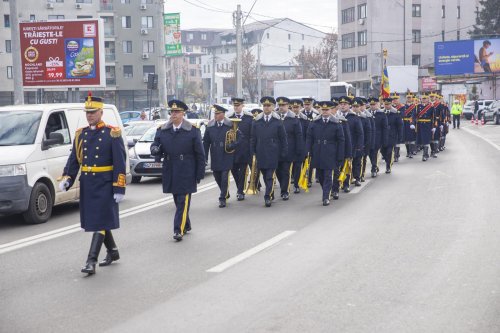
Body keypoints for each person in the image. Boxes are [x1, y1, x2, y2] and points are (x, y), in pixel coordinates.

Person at [60, 94, 127, 275]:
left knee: (99, 223)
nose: (90, 115)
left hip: (105, 183)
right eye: (87, 112)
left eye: (93, 112)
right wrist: (67, 178)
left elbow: (120, 162)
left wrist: (119, 187)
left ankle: (91, 261)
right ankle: (112, 251)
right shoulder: (81, 134)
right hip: (88, 183)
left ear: (101, 112)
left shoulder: (112, 133)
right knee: (99, 220)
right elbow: (74, 159)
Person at [150, 100, 205, 241]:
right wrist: (155, 149)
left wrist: (199, 173)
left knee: (182, 200)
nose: (173, 114)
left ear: (183, 114)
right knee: (177, 199)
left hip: (187, 170)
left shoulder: (192, 130)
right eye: (172, 112)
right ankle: (186, 224)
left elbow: (200, 153)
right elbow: (156, 145)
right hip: (170, 169)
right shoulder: (163, 130)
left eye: (177, 112)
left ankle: (177, 230)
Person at [250, 96, 288, 207]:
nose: (266, 108)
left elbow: (283, 138)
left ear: (272, 107)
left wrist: (283, 151)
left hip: (273, 153)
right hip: (261, 152)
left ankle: (267, 197)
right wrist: (252, 152)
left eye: (269, 105)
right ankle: (270, 193)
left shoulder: (277, 121)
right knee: (264, 174)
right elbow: (253, 138)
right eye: (264, 106)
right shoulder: (257, 121)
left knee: (269, 176)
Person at [306, 101, 345, 206]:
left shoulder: (336, 123)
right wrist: (308, 151)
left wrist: (340, 155)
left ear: (331, 110)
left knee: (328, 175)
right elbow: (309, 138)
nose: (325, 112)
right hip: (318, 152)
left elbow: (341, 141)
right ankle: (328, 190)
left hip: (330, 153)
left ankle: (325, 197)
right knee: (321, 176)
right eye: (323, 110)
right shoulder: (314, 122)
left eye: (327, 110)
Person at [203, 105, 239, 208]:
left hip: (226, 154)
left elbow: (239, 137)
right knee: (217, 176)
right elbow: (206, 142)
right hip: (215, 154)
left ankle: (222, 198)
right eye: (215, 113)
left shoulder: (230, 124)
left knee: (224, 177)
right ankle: (225, 192)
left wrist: (232, 144)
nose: (216, 115)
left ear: (223, 114)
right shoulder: (210, 126)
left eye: (218, 113)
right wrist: (205, 157)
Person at [275, 97, 304, 200]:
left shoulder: (294, 119)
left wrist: (299, 150)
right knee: (278, 171)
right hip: (276, 150)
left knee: (286, 171)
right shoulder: (275, 118)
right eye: (280, 105)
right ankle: (283, 185)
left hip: (289, 150)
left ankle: (284, 191)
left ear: (288, 106)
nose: (281, 107)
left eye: (283, 105)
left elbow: (298, 135)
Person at [227, 97, 253, 201]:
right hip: (233, 150)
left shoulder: (249, 118)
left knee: (242, 171)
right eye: (235, 105)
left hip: (244, 150)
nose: (236, 107)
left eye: (238, 105)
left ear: (242, 106)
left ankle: (240, 191)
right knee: (234, 170)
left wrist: (251, 149)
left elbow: (252, 135)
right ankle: (240, 188)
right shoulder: (229, 118)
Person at [339, 96, 364, 190]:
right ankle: (343, 182)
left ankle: (354, 180)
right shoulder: (336, 117)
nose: (342, 106)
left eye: (345, 104)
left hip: (352, 145)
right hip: (340, 146)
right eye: (341, 104)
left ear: (349, 106)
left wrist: (359, 145)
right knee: (342, 165)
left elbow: (360, 133)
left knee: (353, 163)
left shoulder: (354, 117)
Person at [290, 99, 309, 193]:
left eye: (297, 107)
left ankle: (297, 184)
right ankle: (291, 180)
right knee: (290, 166)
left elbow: (307, 135)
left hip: (301, 147)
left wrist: (306, 148)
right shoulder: (288, 118)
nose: (295, 109)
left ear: (300, 107)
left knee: (298, 166)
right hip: (290, 147)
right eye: (293, 107)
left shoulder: (304, 119)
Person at [368, 97, 389, 177]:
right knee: (370, 153)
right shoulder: (367, 114)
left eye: (374, 104)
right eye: (371, 104)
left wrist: (384, 139)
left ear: (378, 104)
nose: (372, 106)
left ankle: (374, 168)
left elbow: (385, 128)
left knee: (374, 152)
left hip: (378, 137)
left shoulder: (382, 114)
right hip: (370, 138)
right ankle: (374, 166)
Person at [382, 97, 404, 174]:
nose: (387, 106)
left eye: (388, 104)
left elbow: (400, 126)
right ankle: (387, 160)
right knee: (383, 151)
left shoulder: (396, 113)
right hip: (382, 137)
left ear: (391, 104)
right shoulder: (381, 113)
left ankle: (388, 166)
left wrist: (400, 136)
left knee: (389, 152)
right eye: (385, 104)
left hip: (392, 135)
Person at [416, 93, 436, 161]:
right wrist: (412, 123)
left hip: (428, 125)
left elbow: (433, 117)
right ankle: (425, 154)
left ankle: (425, 155)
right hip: (420, 125)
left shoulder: (431, 107)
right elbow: (414, 115)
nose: (424, 100)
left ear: (428, 99)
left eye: (425, 99)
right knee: (421, 140)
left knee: (426, 140)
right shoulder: (417, 106)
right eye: (422, 99)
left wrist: (434, 126)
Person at [402, 92, 417, 157]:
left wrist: (414, 123)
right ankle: (408, 152)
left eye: (410, 98)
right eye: (408, 97)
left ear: (412, 98)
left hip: (412, 123)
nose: (409, 99)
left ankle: (411, 151)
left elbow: (416, 115)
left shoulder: (415, 106)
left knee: (412, 138)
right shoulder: (403, 106)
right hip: (405, 123)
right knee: (406, 139)